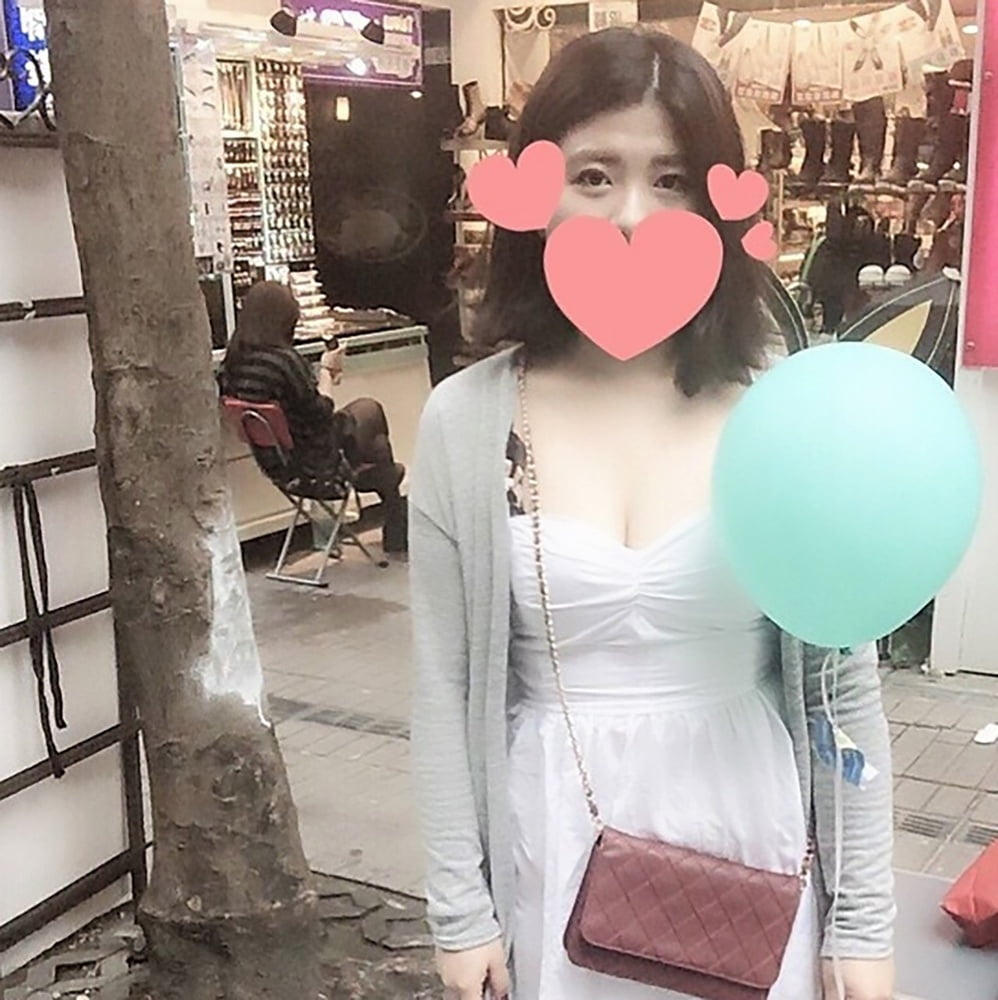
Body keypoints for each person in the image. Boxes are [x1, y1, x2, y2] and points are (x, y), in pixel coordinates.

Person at [408, 29, 894, 1000]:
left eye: (671, 179)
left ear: (717, 201)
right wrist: (459, 909)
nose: (632, 213)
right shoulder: (467, 422)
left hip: (748, 837)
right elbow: (442, 686)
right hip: (549, 837)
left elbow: (841, 692)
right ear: (534, 195)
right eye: (593, 175)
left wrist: (862, 922)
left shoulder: (782, 411)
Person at [219, 280, 407, 554]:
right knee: (371, 411)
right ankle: (392, 510)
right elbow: (321, 412)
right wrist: (327, 372)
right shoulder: (285, 361)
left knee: (378, 444)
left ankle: (386, 489)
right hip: (316, 464)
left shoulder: (233, 362)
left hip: (278, 466)